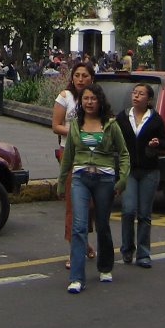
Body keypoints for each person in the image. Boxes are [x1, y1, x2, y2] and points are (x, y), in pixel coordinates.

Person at [58, 83, 129, 293]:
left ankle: (105, 266)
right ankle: (76, 278)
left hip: (105, 180)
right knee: (78, 227)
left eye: (93, 99)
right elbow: (68, 155)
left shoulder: (111, 124)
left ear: (100, 101)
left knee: (102, 226)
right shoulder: (75, 125)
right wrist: (62, 182)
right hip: (80, 178)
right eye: (86, 99)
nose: (89, 102)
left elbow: (123, 153)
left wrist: (122, 179)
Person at [116, 82, 165, 267]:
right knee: (128, 210)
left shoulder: (155, 119)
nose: (136, 96)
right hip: (129, 171)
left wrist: (156, 143)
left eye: (141, 94)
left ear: (149, 99)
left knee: (145, 214)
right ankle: (127, 248)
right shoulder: (122, 117)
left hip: (149, 171)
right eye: (134, 93)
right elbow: (115, 141)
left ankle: (144, 253)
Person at [52, 60, 97, 266]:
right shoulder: (65, 97)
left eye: (85, 76)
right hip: (69, 154)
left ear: (91, 78)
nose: (80, 79)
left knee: (88, 204)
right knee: (73, 202)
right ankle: (74, 249)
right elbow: (55, 125)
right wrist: (76, 133)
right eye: (77, 75)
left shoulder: (94, 98)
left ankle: (83, 241)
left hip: (92, 154)